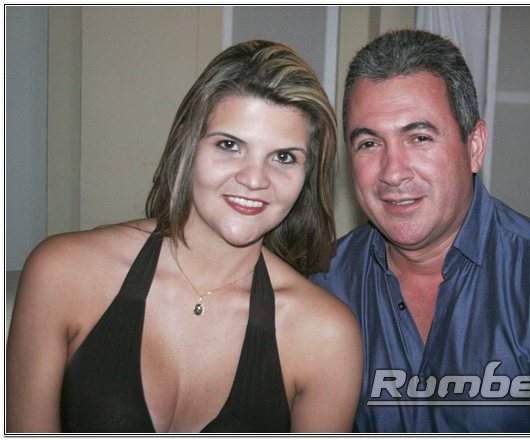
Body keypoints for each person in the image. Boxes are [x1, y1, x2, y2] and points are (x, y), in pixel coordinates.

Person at [7, 40, 362, 433]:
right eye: (230, 145)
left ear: (306, 176)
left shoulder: (325, 336)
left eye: (283, 157)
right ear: (188, 145)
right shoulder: (63, 274)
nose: (254, 179)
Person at [310, 29, 530, 433]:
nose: (393, 172)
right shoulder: (323, 283)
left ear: (475, 146)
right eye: (369, 144)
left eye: (419, 138)